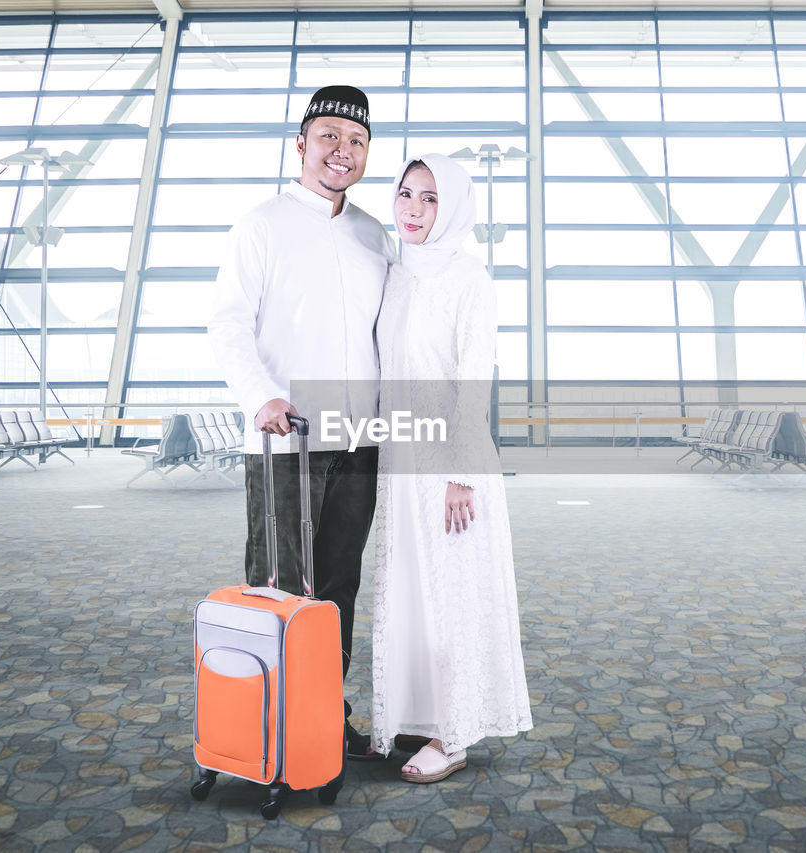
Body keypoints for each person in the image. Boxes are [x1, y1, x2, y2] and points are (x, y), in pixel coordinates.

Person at [207, 85, 393, 760]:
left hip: (359, 443)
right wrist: (261, 395)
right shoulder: (261, 224)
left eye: (356, 141)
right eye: (330, 138)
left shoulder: (375, 233)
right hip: (286, 438)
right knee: (280, 585)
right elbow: (227, 322)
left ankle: (322, 713)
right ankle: (270, 720)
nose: (342, 152)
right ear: (301, 144)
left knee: (338, 585)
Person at [370, 154, 533, 782]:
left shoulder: (470, 277)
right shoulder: (397, 273)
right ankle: (417, 714)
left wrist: (463, 471)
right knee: (412, 589)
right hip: (401, 459)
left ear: (454, 208)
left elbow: (474, 377)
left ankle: (454, 732)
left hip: (451, 465)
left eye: (430, 199)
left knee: (452, 594)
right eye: (406, 195)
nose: (412, 210)